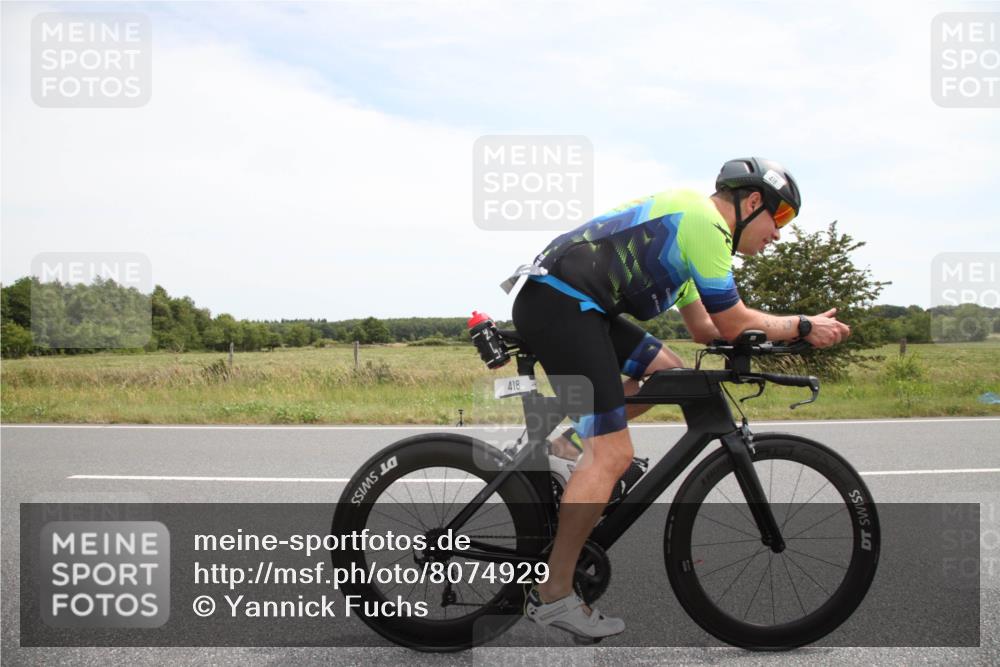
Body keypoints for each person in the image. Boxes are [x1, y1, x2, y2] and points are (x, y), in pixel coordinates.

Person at [506, 157, 851, 639]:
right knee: (613, 455)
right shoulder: (705, 224)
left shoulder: (695, 239)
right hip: (561, 302)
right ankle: (554, 595)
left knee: (667, 370)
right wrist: (803, 324)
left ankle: (563, 445)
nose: (778, 235)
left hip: (575, 303)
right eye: (781, 218)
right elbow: (733, 322)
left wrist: (783, 337)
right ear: (753, 203)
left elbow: (707, 329)